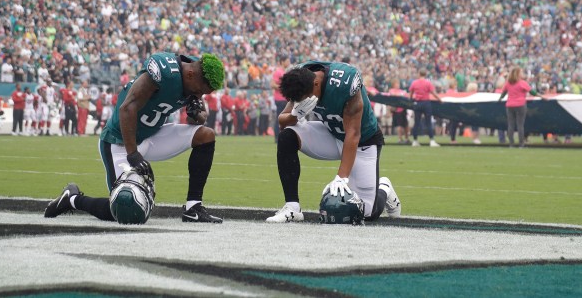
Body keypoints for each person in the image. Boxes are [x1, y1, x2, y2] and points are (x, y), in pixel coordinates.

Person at [43, 52, 227, 224]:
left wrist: (196, 114)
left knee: (206, 135)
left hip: (152, 134)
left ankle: (193, 208)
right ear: (190, 75)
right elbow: (127, 108)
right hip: (120, 141)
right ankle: (73, 199)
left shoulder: (195, 73)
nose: (200, 95)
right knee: (125, 209)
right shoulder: (165, 70)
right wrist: (133, 154)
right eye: (201, 91)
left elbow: (199, 117)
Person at [266, 60, 401, 223]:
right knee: (287, 136)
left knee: (365, 213)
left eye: (304, 99)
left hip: (362, 142)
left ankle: (384, 187)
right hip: (331, 133)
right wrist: (295, 115)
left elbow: (353, 133)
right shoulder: (302, 78)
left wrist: (341, 177)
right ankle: (293, 207)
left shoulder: (346, 83)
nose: (302, 102)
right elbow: (282, 122)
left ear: (316, 83)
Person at [498, 67, 540, 148]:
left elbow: (503, 94)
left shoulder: (508, 83)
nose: (522, 74)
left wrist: (500, 99)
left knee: (511, 125)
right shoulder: (522, 83)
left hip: (510, 105)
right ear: (518, 74)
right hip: (520, 105)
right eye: (521, 72)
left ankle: (511, 144)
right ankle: (521, 144)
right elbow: (533, 92)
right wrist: (542, 96)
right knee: (520, 125)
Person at [408, 69, 442, 147]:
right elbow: (433, 93)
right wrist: (439, 99)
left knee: (416, 123)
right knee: (428, 122)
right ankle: (432, 141)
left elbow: (411, 93)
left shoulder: (414, 82)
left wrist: (411, 100)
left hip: (417, 103)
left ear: (419, 73)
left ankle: (415, 140)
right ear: (425, 74)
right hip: (426, 103)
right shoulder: (428, 83)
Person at [271, 54, 291, 141]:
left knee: (284, 119)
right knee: (280, 118)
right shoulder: (278, 72)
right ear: (282, 62)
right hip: (280, 99)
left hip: (284, 98)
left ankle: (282, 136)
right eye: (287, 61)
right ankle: (277, 137)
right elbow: (272, 84)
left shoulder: (284, 72)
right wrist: (283, 88)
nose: (289, 62)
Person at [387, 78, 409, 144]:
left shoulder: (402, 91)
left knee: (405, 125)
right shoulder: (391, 91)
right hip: (397, 111)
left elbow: (406, 96)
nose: (398, 85)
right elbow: (391, 97)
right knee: (399, 125)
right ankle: (400, 139)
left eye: (398, 83)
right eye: (397, 83)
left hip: (403, 110)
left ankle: (406, 138)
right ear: (393, 84)